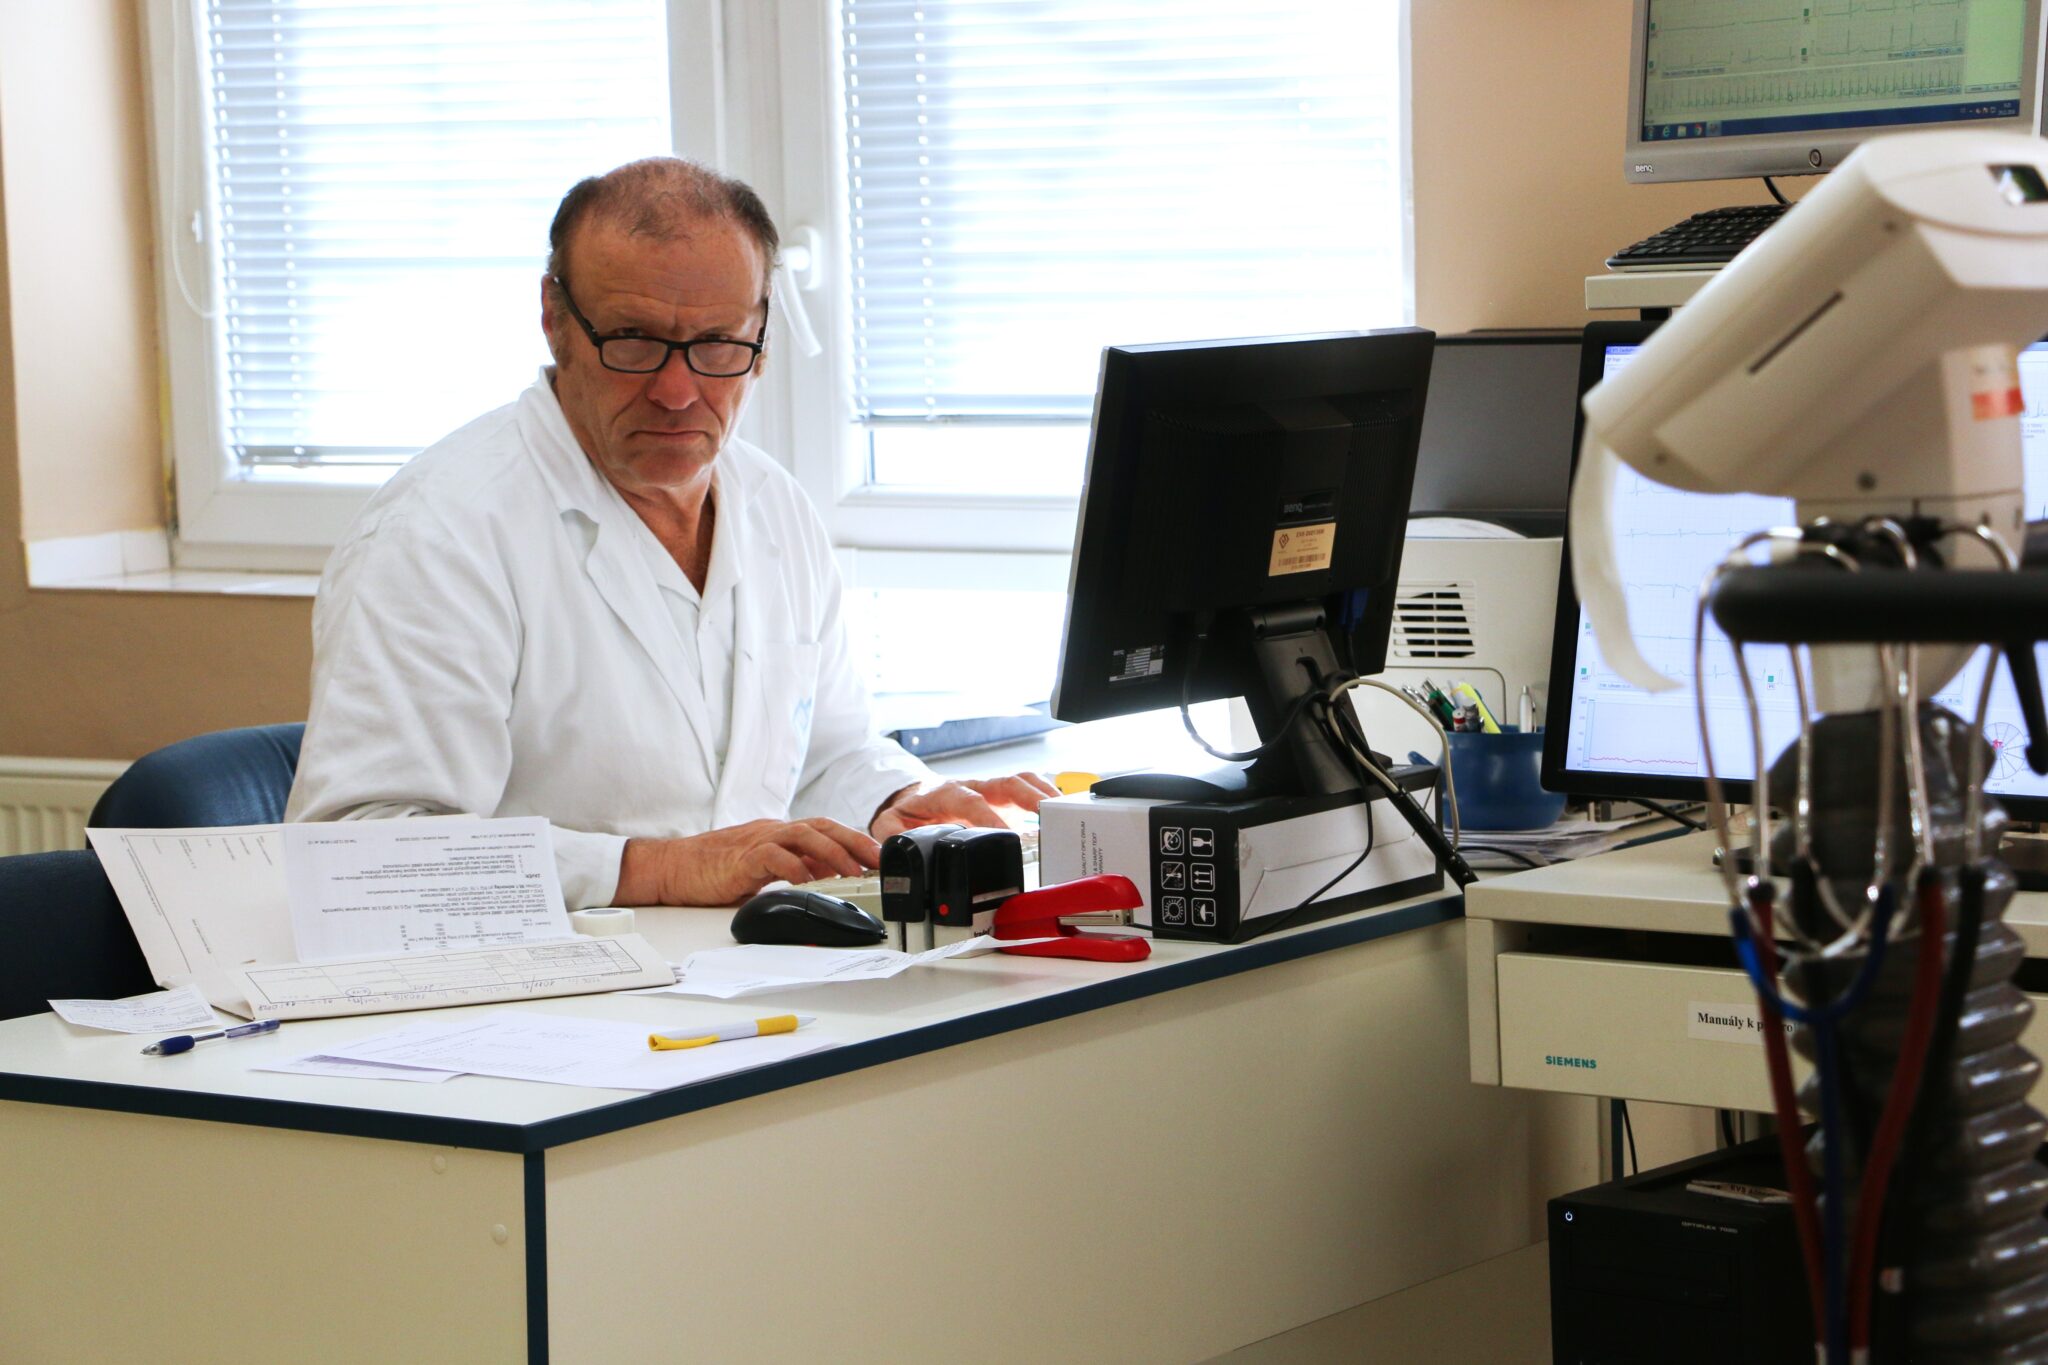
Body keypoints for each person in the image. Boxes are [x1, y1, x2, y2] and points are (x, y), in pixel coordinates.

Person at [287, 158, 1056, 908]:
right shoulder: (438, 534)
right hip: (546, 979)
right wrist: (652, 869)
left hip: (753, 961)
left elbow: (824, 753)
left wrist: (891, 800)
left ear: (763, 335)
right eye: (634, 339)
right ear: (555, 319)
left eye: (718, 344)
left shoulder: (774, 506)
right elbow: (359, 853)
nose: (678, 391)